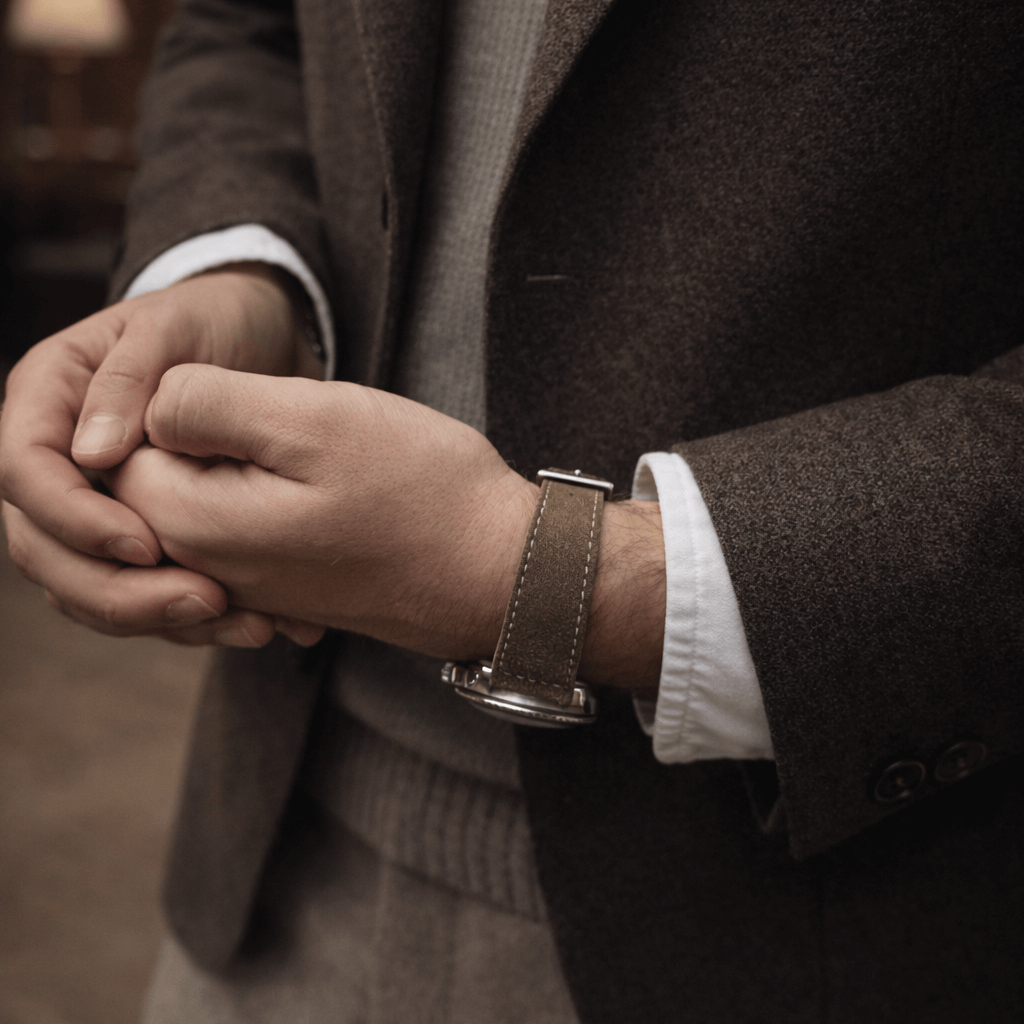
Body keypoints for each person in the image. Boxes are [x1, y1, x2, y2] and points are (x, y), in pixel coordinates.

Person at [1, 0, 1021, 1021]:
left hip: (832, 923)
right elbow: (244, 26)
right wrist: (237, 271)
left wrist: (551, 571)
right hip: (265, 876)